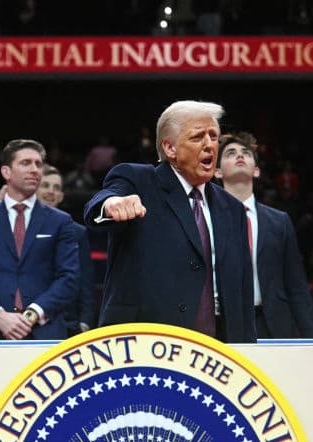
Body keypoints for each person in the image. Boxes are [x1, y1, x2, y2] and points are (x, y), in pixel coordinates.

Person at [82, 100, 255, 343]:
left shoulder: (232, 209)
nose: (209, 145)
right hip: (145, 342)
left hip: (219, 349)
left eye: (213, 136)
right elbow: (101, 202)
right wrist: (111, 205)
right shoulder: (138, 180)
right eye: (197, 137)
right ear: (170, 148)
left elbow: (242, 293)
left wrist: (247, 348)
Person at [0, 139, 78, 340]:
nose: (35, 170)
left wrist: (32, 314)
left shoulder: (60, 221)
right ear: (6, 172)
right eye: (26, 163)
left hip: (44, 333)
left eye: (38, 164)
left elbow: (69, 277)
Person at [216, 131, 313, 339]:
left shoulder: (279, 221)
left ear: (256, 170)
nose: (239, 156)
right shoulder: (207, 218)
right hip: (223, 325)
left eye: (246, 153)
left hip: (273, 325)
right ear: (217, 172)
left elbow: (296, 285)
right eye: (230, 153)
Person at [38, 164, 95, 336]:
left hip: (67, 323)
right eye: (45, 185)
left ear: (61, 196)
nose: (51, 191)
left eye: (56, 188)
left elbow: (86, 280)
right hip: (28, 319)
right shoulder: (18, 229)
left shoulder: (77, 232)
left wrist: (85, 321)